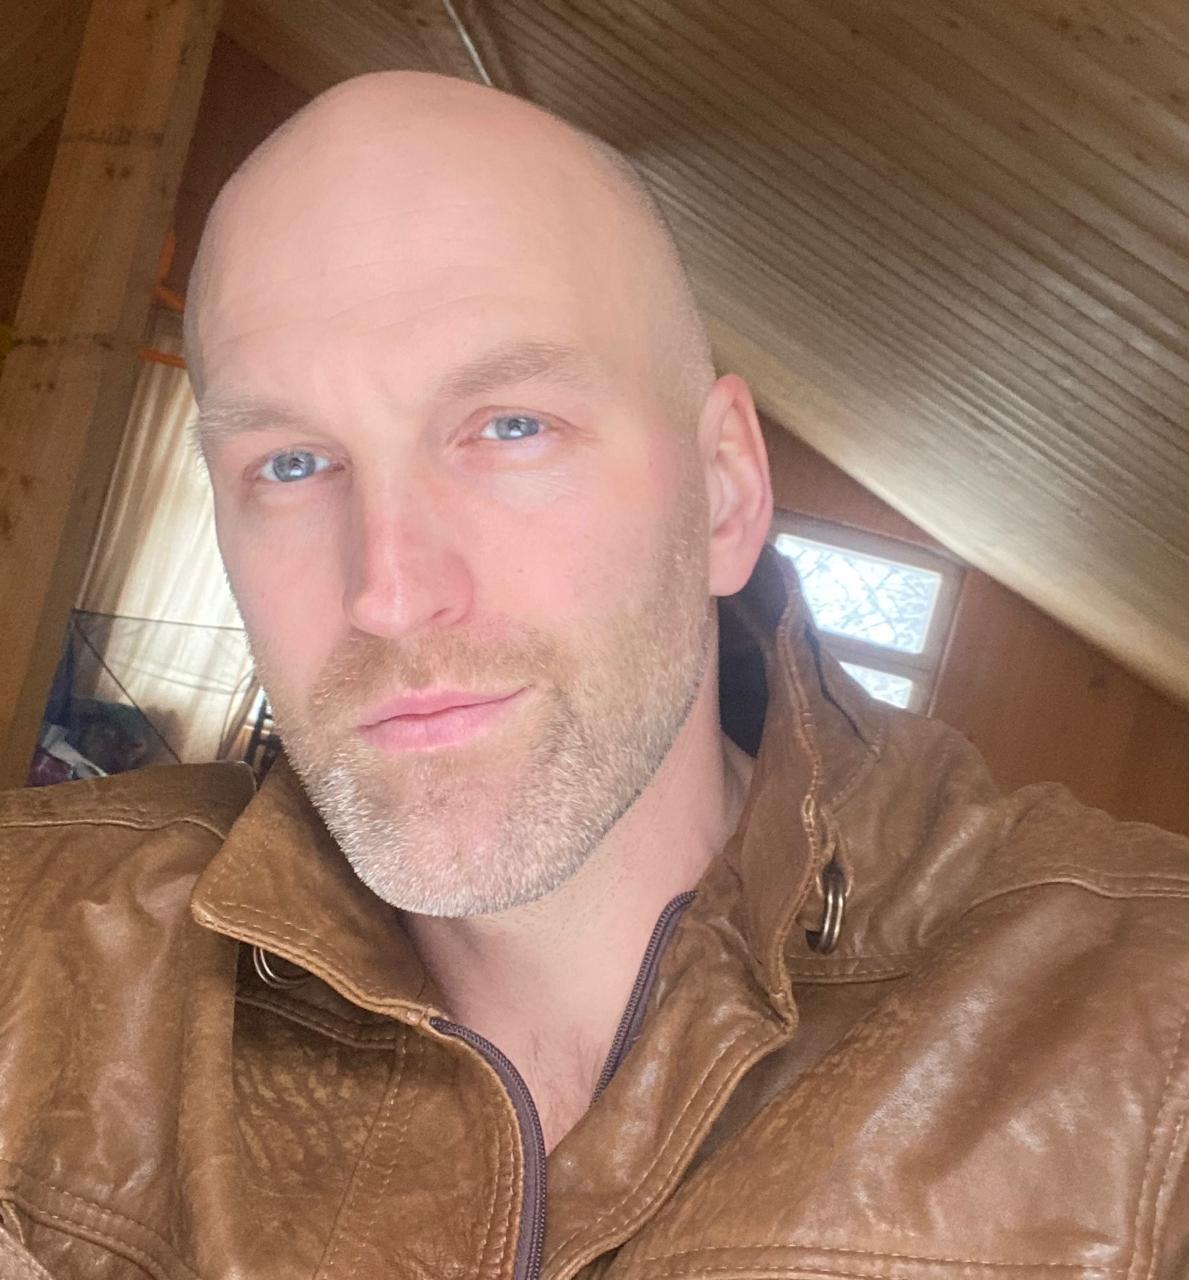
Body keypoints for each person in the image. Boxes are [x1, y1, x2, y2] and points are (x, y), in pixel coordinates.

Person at [0, 72, 1183, 1280]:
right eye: (293, 462)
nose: (390, 590)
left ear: (724, 492)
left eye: (510, 426)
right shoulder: (35, 944)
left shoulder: (1145, 1034)